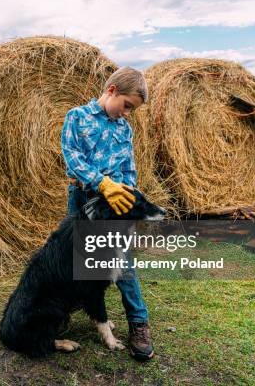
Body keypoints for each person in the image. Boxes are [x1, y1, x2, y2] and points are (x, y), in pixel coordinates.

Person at [61, 66, 154, 361]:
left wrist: (128, 195)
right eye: (127, 106)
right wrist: (101, 183)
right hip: (84, 199)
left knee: (122, 263)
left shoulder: (124, 128)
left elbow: (128, 167)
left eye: (132, 110)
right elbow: (72, 156)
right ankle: (77, 311)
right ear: (111, 90)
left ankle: (138, 323)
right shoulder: (77, 117)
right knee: (81, 260)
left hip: (115, 205)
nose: (127, 113)